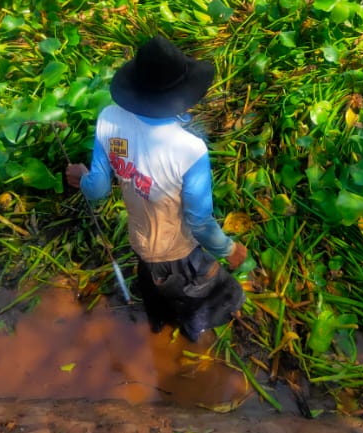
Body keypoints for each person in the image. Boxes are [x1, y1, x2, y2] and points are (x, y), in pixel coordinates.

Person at [65, 35, 249, 341]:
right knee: (205, 308)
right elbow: (200, 223)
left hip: (140, 246)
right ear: (179, 93)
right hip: (181, 256)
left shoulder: (108, 118)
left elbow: (96, 189)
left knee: (156, 305)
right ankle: (191, 344)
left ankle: (157, 332)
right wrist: (230, 250)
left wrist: (81, 176)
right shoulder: (190, 150)